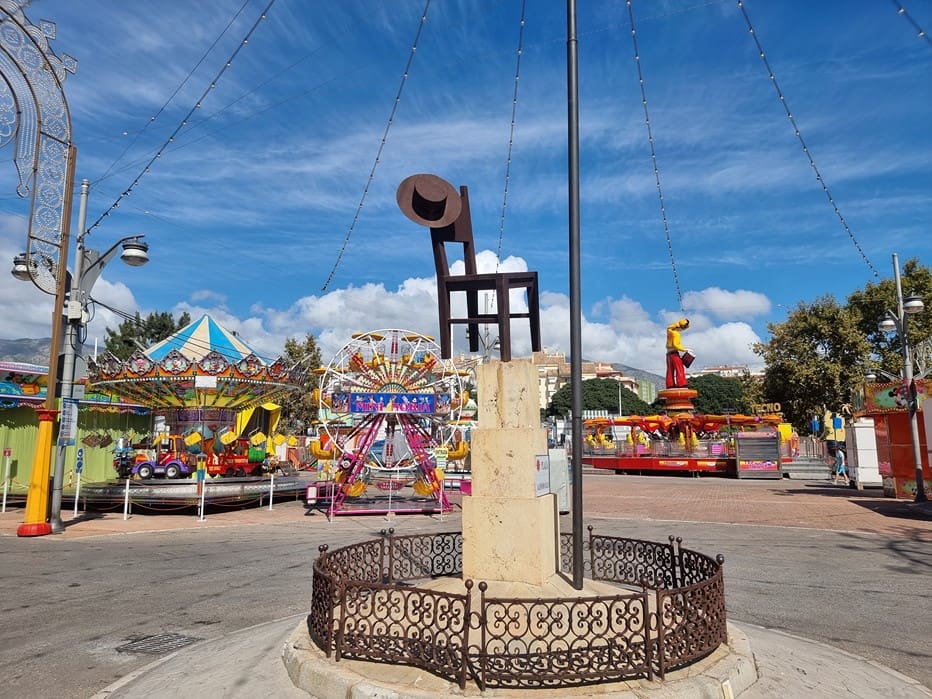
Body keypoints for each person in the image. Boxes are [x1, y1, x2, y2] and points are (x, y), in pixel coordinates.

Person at [665, 318, 691, 389]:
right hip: (674, 354)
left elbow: (669, 327)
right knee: (680, 368)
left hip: (668, 354)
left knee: (670, 370)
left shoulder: (670, 331)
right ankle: (682, 384)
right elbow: (676, 345)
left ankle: (670, 385)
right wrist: (685, 350)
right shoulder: (676, 334)